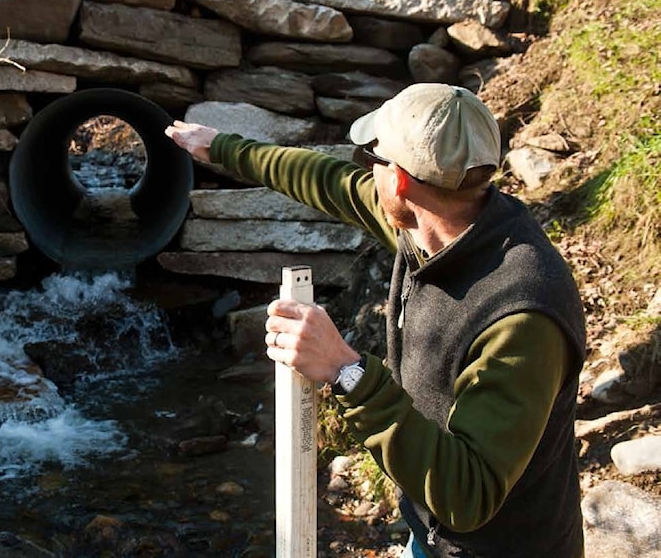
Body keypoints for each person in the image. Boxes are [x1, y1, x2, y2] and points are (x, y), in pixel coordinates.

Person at [165, 83, 587, 558]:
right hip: (431, 533)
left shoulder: (523, 315)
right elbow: (326, 180)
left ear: (401, 181)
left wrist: (347, 372)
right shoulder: (436, 225)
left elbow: (468, 495)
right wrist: (222, 148)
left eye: (375, 159)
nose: (367, 169)